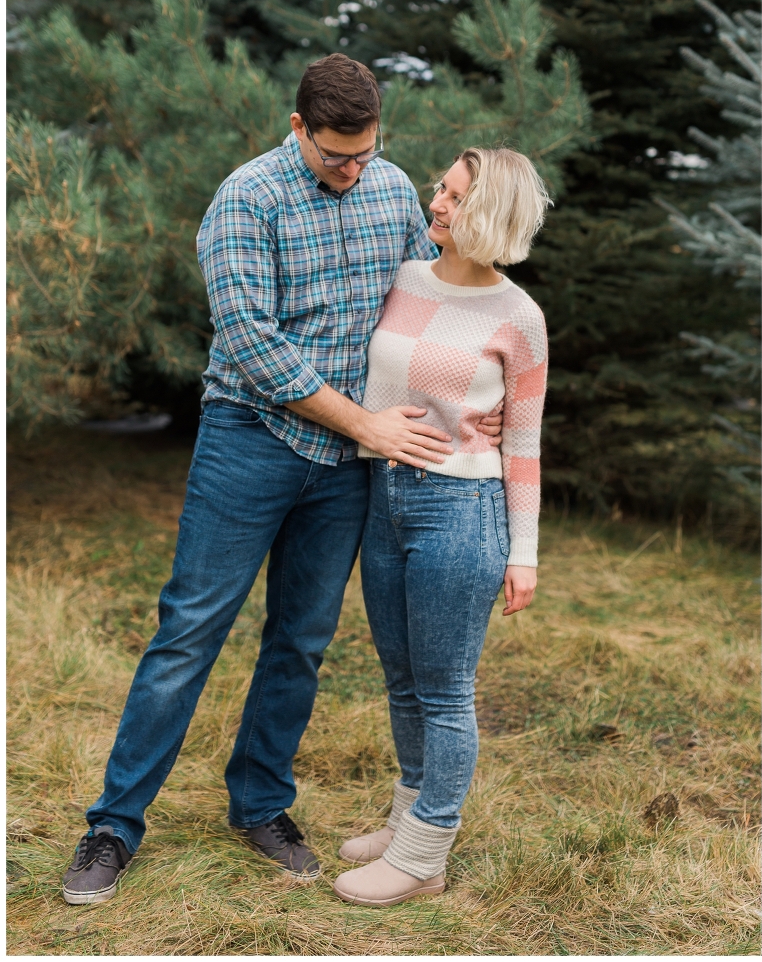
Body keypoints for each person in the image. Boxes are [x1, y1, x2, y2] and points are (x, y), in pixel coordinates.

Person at [61, 54, 503, 905]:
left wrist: (487, 370)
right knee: (189, 630)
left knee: (300, 639)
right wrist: (367, 421)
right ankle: (114, 823)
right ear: (297, 128)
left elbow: (424, 295)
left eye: (367, 152)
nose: (354, 169)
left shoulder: (389, 187)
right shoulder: (247, 198)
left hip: (345, 464)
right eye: (337, 154)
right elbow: (256, 345)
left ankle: (261, 804)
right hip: (250, 437)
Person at [331, 146, 549, 908]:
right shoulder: (404, 278)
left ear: (487, 213)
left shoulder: (519, 318)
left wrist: (523, 553)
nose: (437, 200)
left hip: (462, 510)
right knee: (400, 679)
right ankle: (407, 825)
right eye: (442, 188)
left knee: (446, 690)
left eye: (453, 196)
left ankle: (425, 858)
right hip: (383, 498)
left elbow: (523, 441)